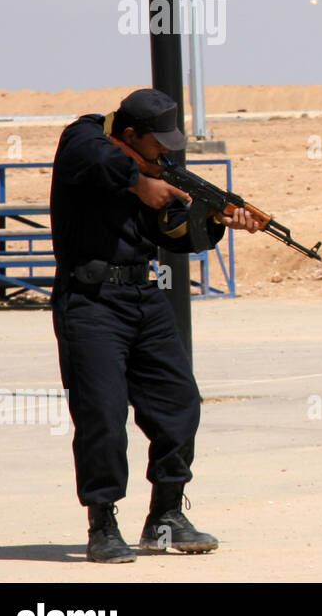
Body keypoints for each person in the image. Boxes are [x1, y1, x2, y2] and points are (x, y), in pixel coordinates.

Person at [50, 88, 260, 564]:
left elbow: (181, 237)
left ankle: (166, 514)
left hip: (144, 295)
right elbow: (95, 156)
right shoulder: (84, 139)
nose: (166, 151)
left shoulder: (159, 170)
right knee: (102, 413)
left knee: (179, 402)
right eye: (157, 142)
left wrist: (219, 219)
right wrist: (139, 184)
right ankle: (102, 523)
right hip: (90, 299)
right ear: (130, 134)